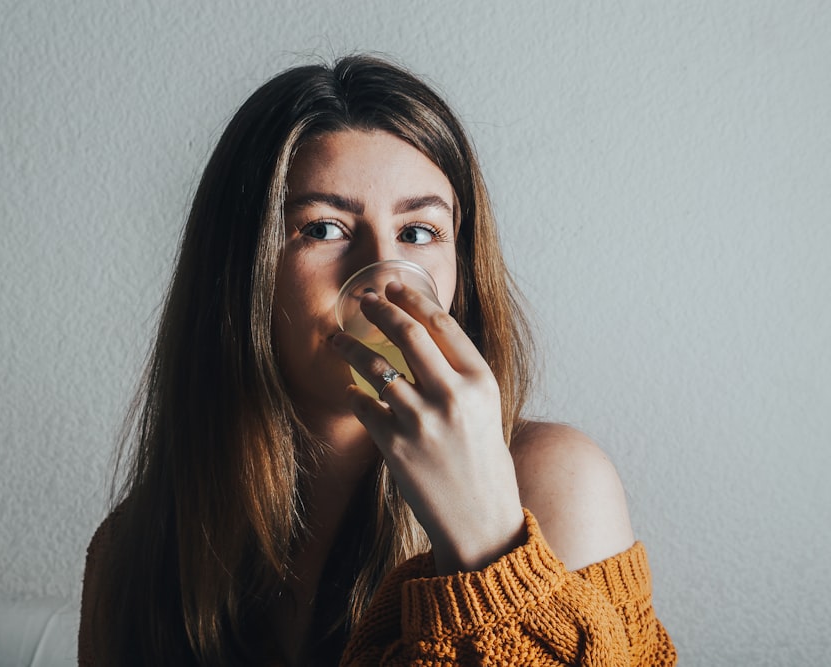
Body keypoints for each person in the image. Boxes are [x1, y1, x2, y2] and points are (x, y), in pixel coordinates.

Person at [78, 54, 676, 666]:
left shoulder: (553, 486)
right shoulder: (134, 553)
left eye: (418, 233)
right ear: (240, 272)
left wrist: (486, 544)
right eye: (325, 229)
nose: (384, 281)